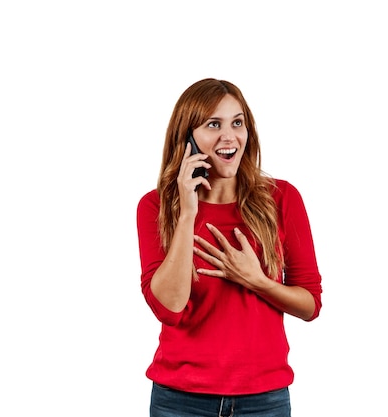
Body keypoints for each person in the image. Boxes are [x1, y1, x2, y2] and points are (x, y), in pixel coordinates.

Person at [136, 78, 322, 417]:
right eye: (213, 124)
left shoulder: (282, 199)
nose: (229, 136)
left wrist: (257, 280)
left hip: (264, 400)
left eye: (238, 122)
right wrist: (188, 212)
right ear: (187, 136)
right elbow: (169, 308)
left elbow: (310, 305)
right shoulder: (156, 207)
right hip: (180, 400)